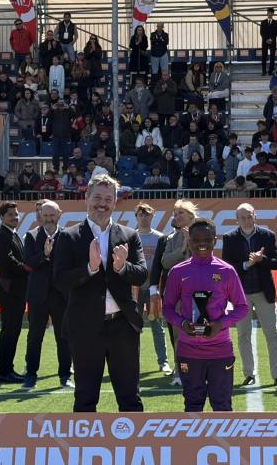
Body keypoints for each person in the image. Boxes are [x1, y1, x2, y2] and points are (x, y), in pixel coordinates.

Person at [52, 174, 148, 412]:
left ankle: (133, 448)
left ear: (115, 202)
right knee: (85, 398)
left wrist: (122, 267)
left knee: (130, 398)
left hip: (123, 327)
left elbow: (142, 275)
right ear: (86, 198)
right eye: (97, 197)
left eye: (108, 198)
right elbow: (60, 279)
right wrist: (89, 268)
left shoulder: (129, 235)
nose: (102, 204)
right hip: (84, 328)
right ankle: (84, 448)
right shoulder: (68, 236)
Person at [162, 218, 248, 411]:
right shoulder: (177, 272)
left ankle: (224, 442)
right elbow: (166, 308)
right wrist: (182, 324)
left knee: (222, 405)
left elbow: (242, 307)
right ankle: (194, 442)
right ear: (189, 241)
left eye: (207, 239)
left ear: (215, 240)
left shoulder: (227, 271)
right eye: (196, 240)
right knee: (192, 405)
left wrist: (220, 324)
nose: (202, 244)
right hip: (189, 350)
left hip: (220, 349)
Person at [222, 203, 277, 387]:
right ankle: (249, 374)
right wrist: (246, 265)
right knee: (243, 335)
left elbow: (275, 263)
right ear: (237, 219)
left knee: (272, 334)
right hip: (241, 295)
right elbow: (227, 267)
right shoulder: (230, 238)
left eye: (249, 216)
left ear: (255, 216)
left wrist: (260, 259)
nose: (247, 220)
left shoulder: (267, 235)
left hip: (264, 292)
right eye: (243, 217)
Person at [21, 200, 72, 390]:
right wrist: (44, 255)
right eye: (46, 215)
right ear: (40, 215)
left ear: (59, 214)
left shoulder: (68, 236)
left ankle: (65, 375)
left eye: (52, 215)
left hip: (61, 296)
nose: (49, 219)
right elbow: (28, 262)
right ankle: (31, 376)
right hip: (38, 296)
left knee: (64, 337)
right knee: (34, 337)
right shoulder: (31, 236)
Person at [149, 200, 198, 385]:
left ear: (191, 216)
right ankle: (179, 371)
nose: (176, 217)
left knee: (198, 332)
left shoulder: (202, 234)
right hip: (176, 293)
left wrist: (191, 244)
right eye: (175, 214)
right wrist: (183, 249)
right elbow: (165, 262)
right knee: (178, 334)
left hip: (197, 293)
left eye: (180, 214)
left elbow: (204, 259)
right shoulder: (170, 238)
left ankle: (198, 369)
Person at [0, 202, 30, 384]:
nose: (15, 217)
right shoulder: (1, 236)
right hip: (9, 290)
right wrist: (28, 268)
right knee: (10, 330)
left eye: (16, 214)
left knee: (12, 330)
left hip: (16, 289)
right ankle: (4, 371)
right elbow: (8, 262)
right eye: (10, 215)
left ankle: (7, 369)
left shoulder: (12, 234)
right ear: (2, 217)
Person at [133, 203, 171, 375]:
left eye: (147, 214)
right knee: (132, 327)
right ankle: (131, 362)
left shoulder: (160, 238)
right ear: (136, 217)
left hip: (154, 289)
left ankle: (163, 362)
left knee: (157, 326)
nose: (144, 217)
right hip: (134, 289)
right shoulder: (130, 236)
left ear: (153, 216)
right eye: (141, 215)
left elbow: (164, 264)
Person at [260, 7, 277, 76]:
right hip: (264, 42)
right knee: (264, 56)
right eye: (269, 13)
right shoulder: (263, 22)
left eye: (271, 13)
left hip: (273, 42)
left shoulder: (275, 22)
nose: (270, 14)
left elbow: (276, 32)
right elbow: (261, 32)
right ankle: (264, 71)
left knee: (272, 57)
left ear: (273, 14)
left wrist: (271, 39)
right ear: (267, 13)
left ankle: (270, 71)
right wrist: (266, 39)